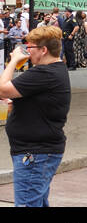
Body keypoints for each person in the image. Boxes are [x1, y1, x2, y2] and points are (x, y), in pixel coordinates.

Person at [0, 25, 71, 207]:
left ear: (43, 50)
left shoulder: (44, 73)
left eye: (30, 47)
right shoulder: (54, 70)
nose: (27, 52)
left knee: (27, 204)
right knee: (37, 202)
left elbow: (2, 88)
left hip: (35, 152)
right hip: (39, 150)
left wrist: (14, 61)